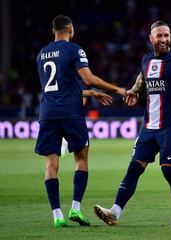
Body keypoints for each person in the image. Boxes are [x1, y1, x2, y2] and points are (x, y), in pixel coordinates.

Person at [93, 20, 171, 227]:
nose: (164, 39)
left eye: (167, 35)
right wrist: (133, 91)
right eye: (160, 36)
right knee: (133, 169)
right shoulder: (146, 60)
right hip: (148, 127)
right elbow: (142, 79)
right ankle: (115, 213)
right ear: (151, 38)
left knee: (169, 171)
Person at [35, 15, 126, 228]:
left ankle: (57, 215)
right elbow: (88, 78)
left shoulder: (41, 54)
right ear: (71, 29)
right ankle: (75, 208)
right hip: (71, 112)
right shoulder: (74, 49)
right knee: (81, 156)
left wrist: (91, 93)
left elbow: (60, 87)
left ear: (53, 30)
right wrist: (116, 89)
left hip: (47, 112)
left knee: (51, 163)